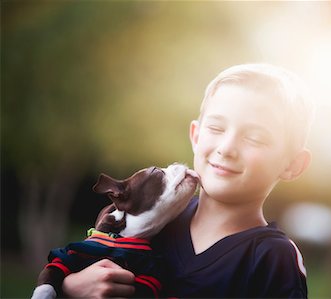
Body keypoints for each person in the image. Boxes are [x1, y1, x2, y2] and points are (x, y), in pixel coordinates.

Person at [62, 63, 315, 298]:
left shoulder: (272, 258)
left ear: (293, 164)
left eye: (255, 138)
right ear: (195, 136)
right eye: (216, 129)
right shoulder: (150, 220)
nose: (226, 148)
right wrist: (70, 288)